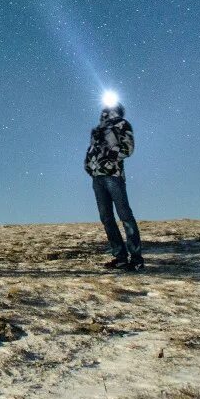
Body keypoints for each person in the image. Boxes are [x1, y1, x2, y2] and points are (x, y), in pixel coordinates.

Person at [84, 97, 144, 271]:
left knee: (125, 215)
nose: (104, 112)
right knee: (106, 218)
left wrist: (110, 155)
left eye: (108, 109)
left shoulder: (122, 124)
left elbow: (128, 148)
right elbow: (91, 151)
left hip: (113, 176)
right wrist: (89, 166)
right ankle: (120, 258)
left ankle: (136, 259)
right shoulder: (96, 130)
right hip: (98, 178)